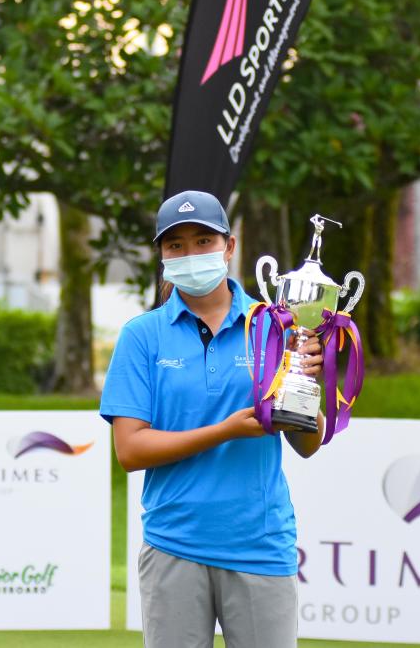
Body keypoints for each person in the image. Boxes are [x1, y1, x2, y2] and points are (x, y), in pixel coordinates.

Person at [100, 189, 324, 648]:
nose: (190, 253)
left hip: (259, 544)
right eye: (175, 245)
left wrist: (307, 387)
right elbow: (130, 450)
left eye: (203, 240)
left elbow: (307, 444)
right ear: (162, 255)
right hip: (173, 545)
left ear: (229, 246)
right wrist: (224, 431)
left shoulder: (276, 325)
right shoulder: (142, 336)